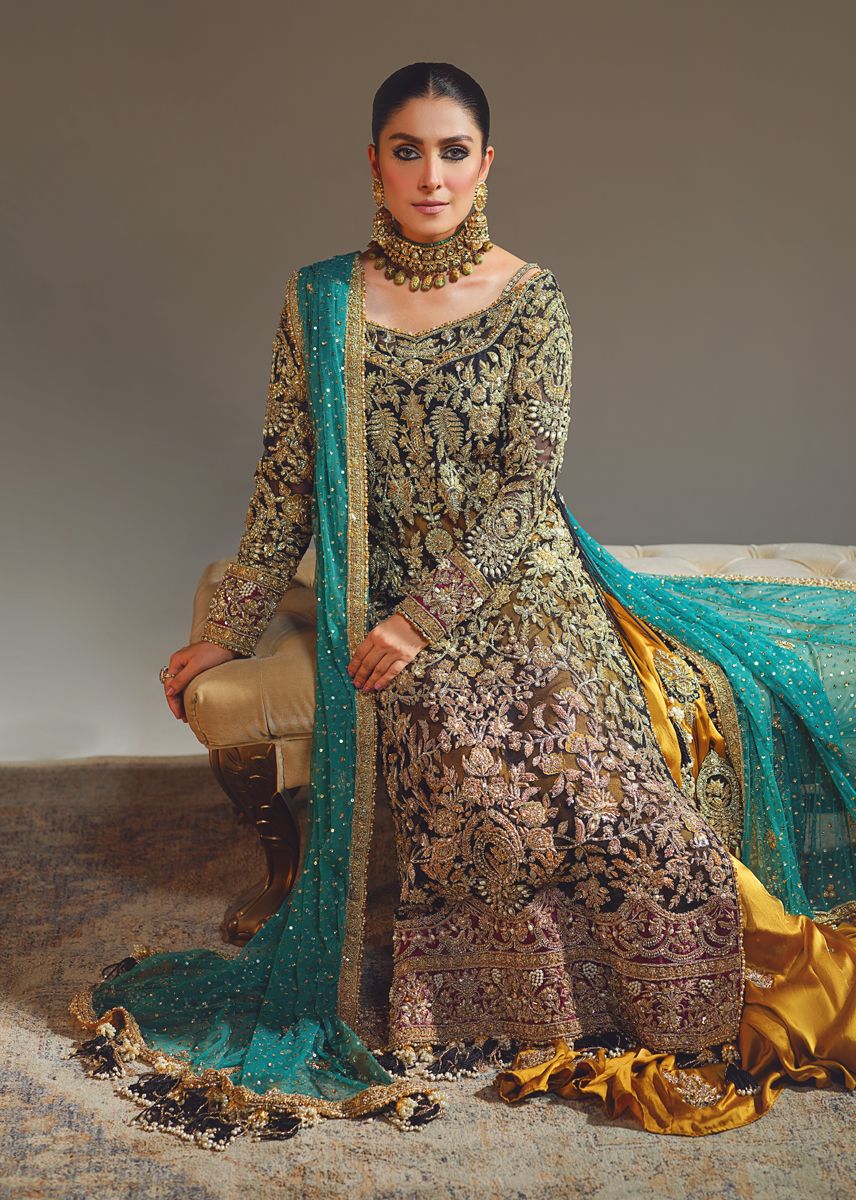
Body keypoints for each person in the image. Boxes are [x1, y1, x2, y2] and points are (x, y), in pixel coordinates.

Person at [67, 62, 856, 1151]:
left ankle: (681, 1000)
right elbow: (287, 478)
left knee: (603, 783)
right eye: (408, 151)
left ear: (486, 164)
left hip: (519, 582)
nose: (430, 175)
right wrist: (226, 631)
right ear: (374, 163)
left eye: (452, 152)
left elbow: (527, 489)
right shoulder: (322, 301)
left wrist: (421, 622)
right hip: (386, 586)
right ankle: (494, 1007)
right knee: (463, 751)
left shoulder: (534, 298)